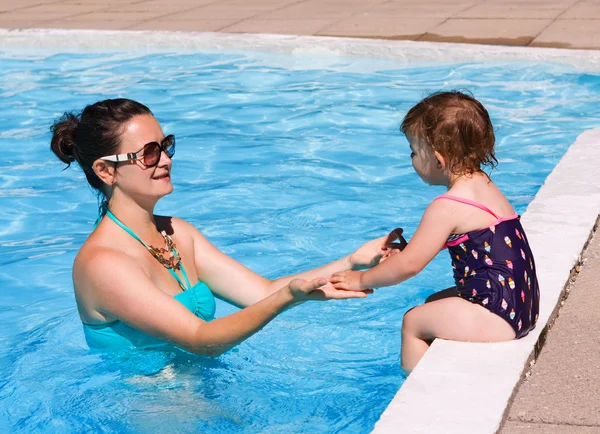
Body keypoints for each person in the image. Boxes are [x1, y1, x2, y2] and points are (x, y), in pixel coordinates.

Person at [50, 98, 400, 355]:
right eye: (149, 153)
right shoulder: (103, 264)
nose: (167, 160)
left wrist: (352, 262)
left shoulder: (177, 232)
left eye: (166, 145)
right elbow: (201, 339)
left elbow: (260, 292)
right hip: (144, 409)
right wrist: (284, 300)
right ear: (105, 171)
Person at [330, 91, 540, 373]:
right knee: (433, 304)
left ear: (438, 160)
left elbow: (409, 266)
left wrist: (361, 279)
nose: (412, 158)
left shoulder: (447, 206)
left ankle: (413, 396)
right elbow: (472, 237)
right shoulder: (483, 185)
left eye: (414, 152)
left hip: (496, 312)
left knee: (414, 321)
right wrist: (407, 248)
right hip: (521, 304)